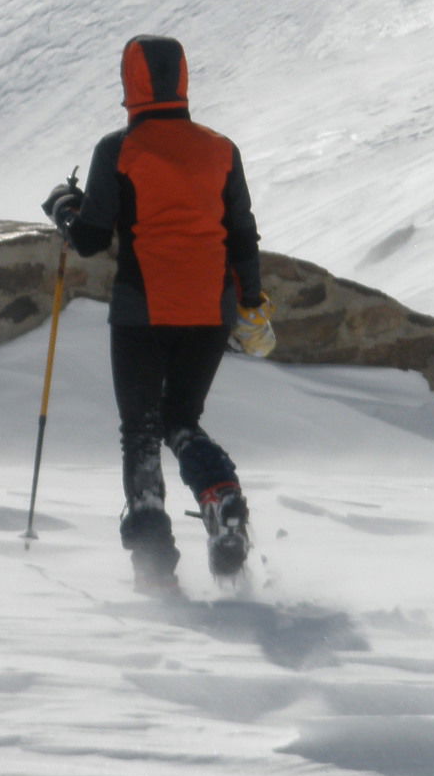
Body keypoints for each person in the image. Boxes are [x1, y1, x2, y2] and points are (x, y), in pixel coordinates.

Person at [42, 35, 267, 591]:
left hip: (144, 307)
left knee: (141, 431)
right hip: (210, 309)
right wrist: (253, 302)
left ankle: (152, 560)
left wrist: (64, 209)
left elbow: (92, 240)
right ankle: (222, 498)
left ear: (131, 84)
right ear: (182, 79)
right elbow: (242, 234)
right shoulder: (221, 149)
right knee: (180, 419)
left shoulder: (119, 149)